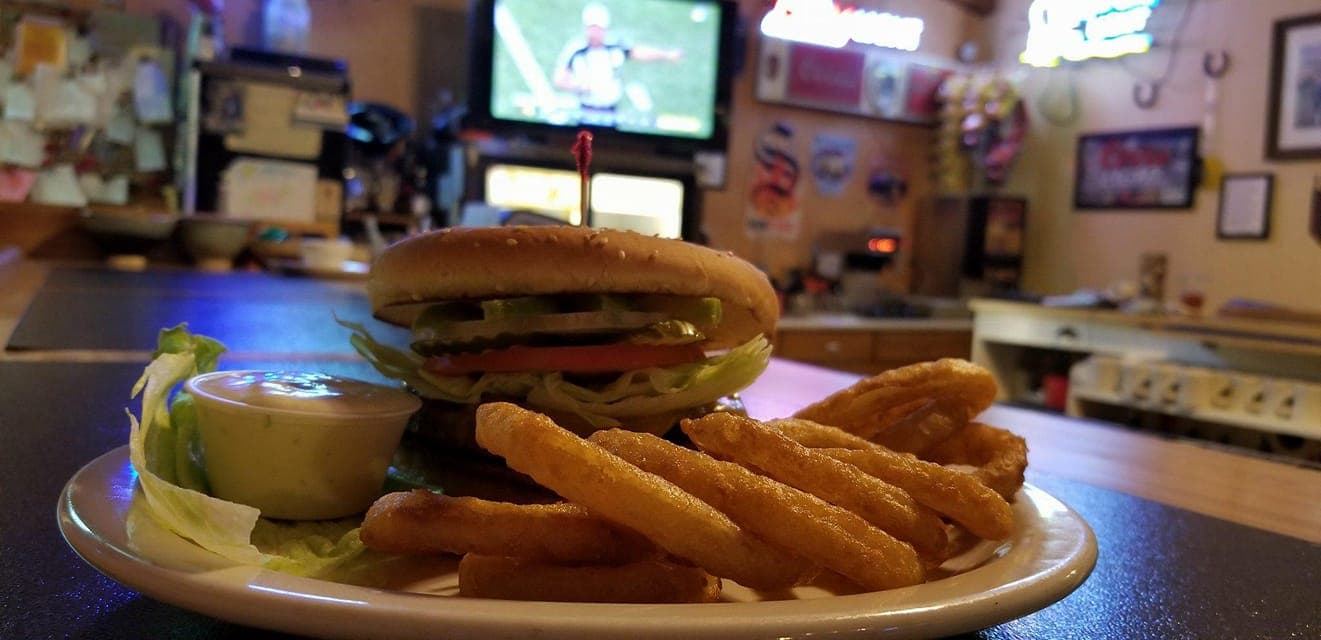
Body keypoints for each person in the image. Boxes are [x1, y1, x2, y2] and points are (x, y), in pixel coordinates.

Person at [552, 3, 682, 127]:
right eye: (592, 28)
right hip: (586, 110)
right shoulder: (575, 49)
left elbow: (639, 52)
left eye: (598, 28)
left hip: (611, 110)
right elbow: (559, 79)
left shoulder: (616, 46)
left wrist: (666, 55)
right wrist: (578, 86)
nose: (595, 32)